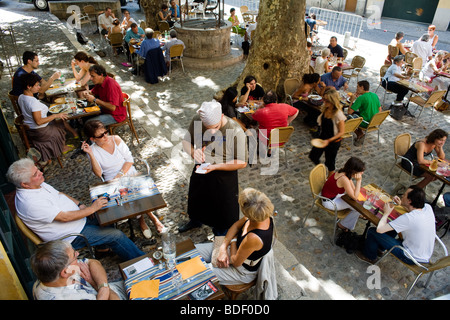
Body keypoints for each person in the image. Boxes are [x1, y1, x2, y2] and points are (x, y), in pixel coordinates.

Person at [6, 158, 145, 262]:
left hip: (79, 220)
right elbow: (64, 217)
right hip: (72, 235)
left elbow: (60, 194)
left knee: (107, 210)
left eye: (37, 169)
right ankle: (143, 261)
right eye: (36, 173)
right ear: (25, 184)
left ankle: (102, 248)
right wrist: (92, 209)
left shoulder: (36, 184)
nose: (41, 172)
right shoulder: (31, 203)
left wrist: (80, 205)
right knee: (116, 235)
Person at [82, 120, 165, 238]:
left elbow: (129, 159)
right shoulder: (93, 150)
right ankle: (146, 219)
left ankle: (148, 219)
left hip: (127, 171)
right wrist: (90, 153)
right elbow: (98, 173)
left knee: (139, 193)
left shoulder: (115, 139)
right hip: (112, 180)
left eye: (105, 132)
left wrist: (120, 175)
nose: (105, 136)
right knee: (127, 196)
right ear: (93, 139)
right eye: (101, 135)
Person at [179, 100, 248, 236]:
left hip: (224, 174)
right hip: (202, 168)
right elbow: (186, 141)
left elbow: (242, 162)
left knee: (223, 212)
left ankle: (220, 235)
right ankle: (196, 221)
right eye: (207, 127)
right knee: (197, 200)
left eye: (215, 127)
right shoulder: (197, 120)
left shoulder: (235, 130)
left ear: (222, 116)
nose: (211, 131)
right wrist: (193, 152)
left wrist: (216, 166)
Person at [195, 188, 274, 285]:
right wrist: (223, 248)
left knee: (198, 274)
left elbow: (236, 262)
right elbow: (236, 226)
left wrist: (233, 240)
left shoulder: (253, 237)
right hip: (234, 250)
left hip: (241, 271)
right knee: (193, 251)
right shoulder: (258, 215)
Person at [355, 185, 436, 265]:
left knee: (372, 231)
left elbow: (380, 229)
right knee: (395, 225)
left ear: (409, 201)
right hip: (424, 254)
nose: (402, 196)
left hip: (411, 257)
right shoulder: (428, 208)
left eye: (404, 195)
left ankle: (370, 257)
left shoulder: (408, 218)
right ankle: (380, 249)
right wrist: (401, 204)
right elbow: (412, 211)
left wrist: (386, 213)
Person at [31, 240, 127, 300]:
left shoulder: (50, 274)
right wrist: (97, 285)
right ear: (65, 272)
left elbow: (93, 262)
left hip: (112, 288)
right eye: (74, 256)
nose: (77, 253)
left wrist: (103, 286)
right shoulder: (65, 297)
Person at [18, 73, 77, 163]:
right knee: (59, 124)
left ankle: (70, 137)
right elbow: (39, 121)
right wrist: (54, 115)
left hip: (30, 129)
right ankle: (62, 148)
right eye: (37, 85)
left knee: (59, 121)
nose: (39, 87)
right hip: (40, 132)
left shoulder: (21, 97)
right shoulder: (33, 103)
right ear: (29, 87)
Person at [321, 157, 366, 231]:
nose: (362, 173)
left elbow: (354, 190)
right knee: (359, 208)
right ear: (354, 171)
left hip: (333, 196)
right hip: (329, 201)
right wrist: (359, 181)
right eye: (360, 171)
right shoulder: (344, 179)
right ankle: (342, 225)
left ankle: (356, 215)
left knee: (358, 205)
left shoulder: (344, 172)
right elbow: (355, 197)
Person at [309, 88, 346, 176]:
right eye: (324, 99)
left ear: (333, 101)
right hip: (323, 137)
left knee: (330, 162)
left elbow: (341, 132)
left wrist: (328, 141)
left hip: (333, 142)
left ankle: (329, 181)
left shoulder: (338, 114)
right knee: (313, 156)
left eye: (327, 100)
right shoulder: (325, 109)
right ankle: (321, 170)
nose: (324, 101)